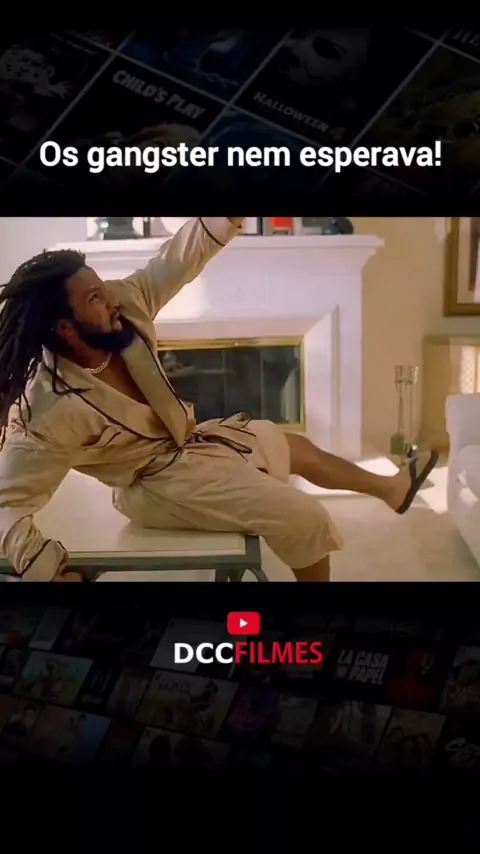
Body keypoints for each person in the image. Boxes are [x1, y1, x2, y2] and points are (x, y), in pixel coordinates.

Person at [0, 217, 437, 583]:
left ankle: (390, 489)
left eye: (102, 287)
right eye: (95, 297)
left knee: (292, 446)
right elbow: (5, 505)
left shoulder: (123, 307)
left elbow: (176, 260)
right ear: (66, 329)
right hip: (151, 485)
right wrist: (45, 569)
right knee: (304, 516)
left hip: (188, 446)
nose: (112, 298)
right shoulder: (45, 409)